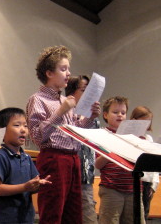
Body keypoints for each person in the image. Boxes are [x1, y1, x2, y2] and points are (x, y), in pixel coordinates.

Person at [26, 45, 100, 224]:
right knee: (53, 213)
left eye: (68, 69)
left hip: (73, 159)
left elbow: (76, 129)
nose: (68, 73)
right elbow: (37, 136)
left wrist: (91, 116)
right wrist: (60, 112)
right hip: (54, 159)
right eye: (63, 69)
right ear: (49, 73)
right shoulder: (38, 99)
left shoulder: (63, 100)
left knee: (73, 215)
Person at [0, 107, 52, 224]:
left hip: (26, 218)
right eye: (17, 125)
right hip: (6, 219)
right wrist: (24, 187)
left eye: (25, 125)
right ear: (1, 131)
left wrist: (39, 185)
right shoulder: (0, 156)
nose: (23, 130)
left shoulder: (27, 157)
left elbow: (32, 183)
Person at [95, 96, 145, 224]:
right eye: (115, 112)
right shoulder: (102, 135)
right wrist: (112, 148)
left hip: (133, 188)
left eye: (123, 113)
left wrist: (139, 143)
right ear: (105, 115)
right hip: (112, 188)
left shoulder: (132, 136)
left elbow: (139, 161)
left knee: (135, 219)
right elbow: (98, 164)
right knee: (110, 220)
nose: (120, 115)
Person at [66, 75, 98, 224]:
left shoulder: (93, 118)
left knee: (88, 217)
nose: (89, 95)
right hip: (67, 174)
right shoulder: (65, 113)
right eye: (84, 90)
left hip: (85, 176)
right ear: (71, 92)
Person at [131, 106, 159, 220]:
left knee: (144, 214)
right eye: (143, 121)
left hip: (147, 183)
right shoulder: (131, 137)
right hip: (135, 181)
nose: (146, 124)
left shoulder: (149, 139)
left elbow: (155, 164)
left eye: (148, 121)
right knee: (134, 214)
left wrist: (154, 185)